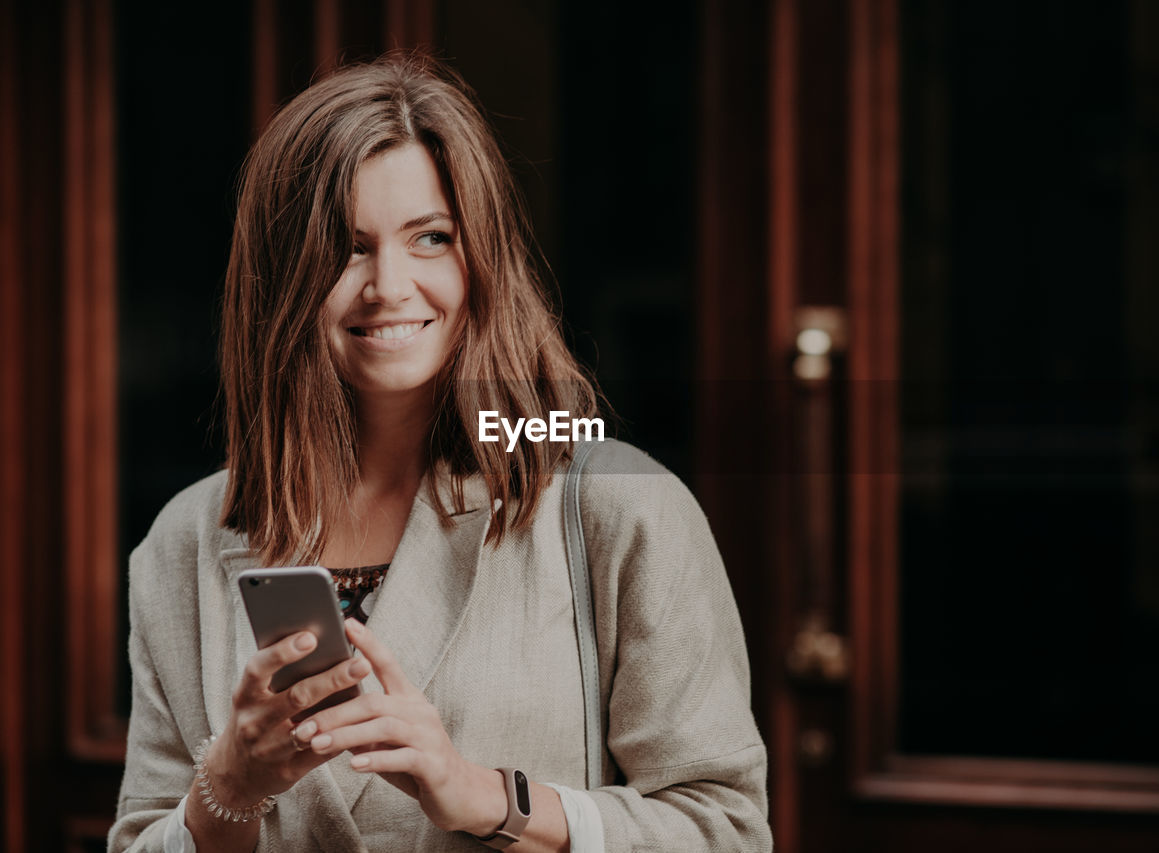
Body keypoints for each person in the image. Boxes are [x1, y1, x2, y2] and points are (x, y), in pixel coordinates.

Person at [108, 55, 770, 852]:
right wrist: (229, 788)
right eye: (348, 247)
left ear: (482, 256)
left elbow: (727, 829)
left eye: (431, 238)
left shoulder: (619, 505)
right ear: (280, 280)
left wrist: (485, 797)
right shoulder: (185, 542)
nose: (390, 284)